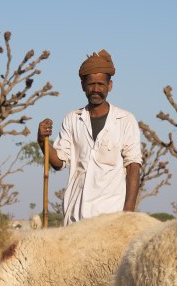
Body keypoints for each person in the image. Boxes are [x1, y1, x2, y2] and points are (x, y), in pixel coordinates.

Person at [37, 49, 142, 225]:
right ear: (82, 85)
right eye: (91, 84)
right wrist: (42, 141)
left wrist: (127, 217)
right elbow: (58, 163)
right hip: (75, 218)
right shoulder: (72, 119)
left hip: (111, 219)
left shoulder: (125, 120)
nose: (96, 89)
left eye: (101, 84)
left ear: (110, 86)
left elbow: (133, 167)